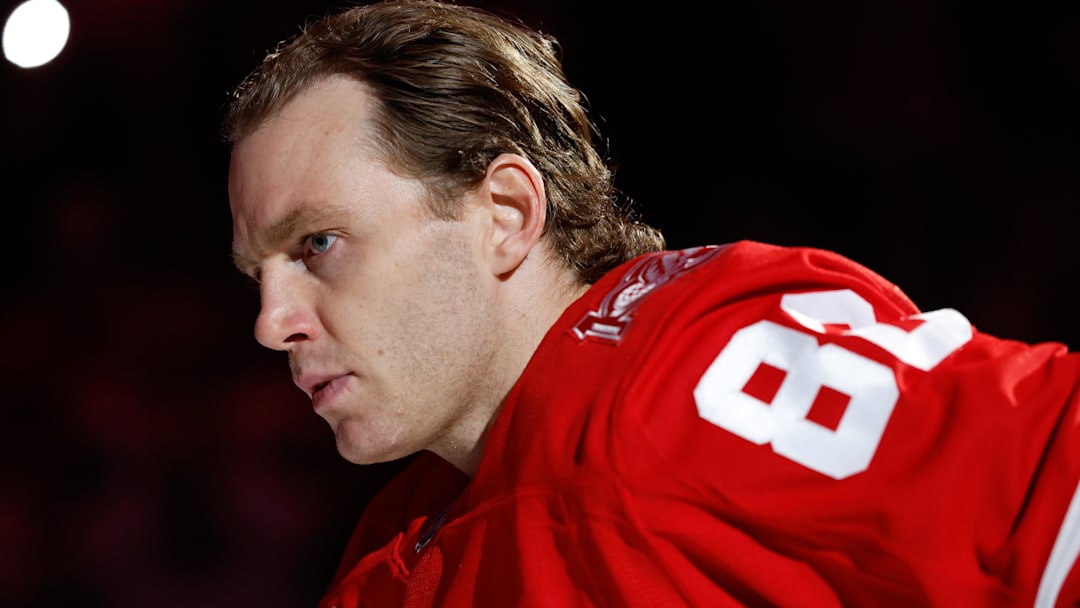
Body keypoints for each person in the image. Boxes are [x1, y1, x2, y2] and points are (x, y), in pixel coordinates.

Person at [223, 1, 1080, 605]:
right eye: (257, 273)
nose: (270, 322)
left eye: (317, 244)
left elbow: (1049, 475)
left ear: (506, 214)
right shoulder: (387, 551)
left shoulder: (681, 377)